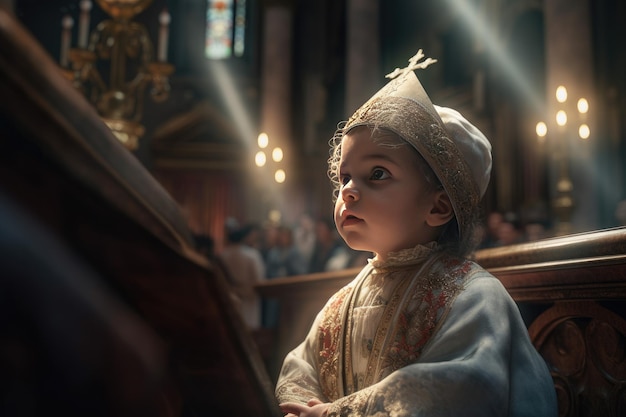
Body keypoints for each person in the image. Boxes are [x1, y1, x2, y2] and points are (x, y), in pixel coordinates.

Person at [275, 51, 557, 417]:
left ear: (438, 207)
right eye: (344, 177)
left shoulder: (474, 295)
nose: (347, 191)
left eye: (377, 174)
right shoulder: (340, 303)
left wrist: (338, 413)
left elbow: (466, 385)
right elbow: (301, 367)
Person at [218, 219, 266, 329]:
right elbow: (259, 279)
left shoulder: (222, 256)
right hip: (250, 296)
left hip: (230, 296)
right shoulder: (252, 255)